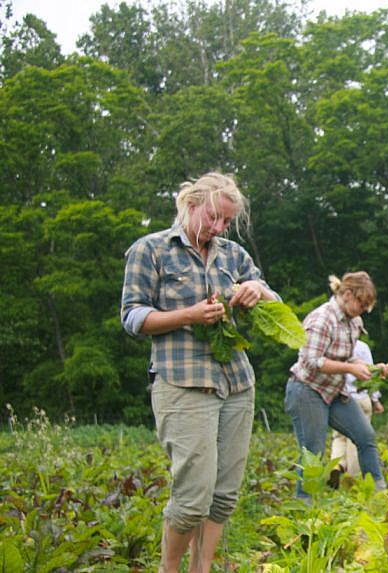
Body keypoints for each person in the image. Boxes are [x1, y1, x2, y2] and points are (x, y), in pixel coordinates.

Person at [120, 172, 280, 573]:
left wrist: (256, 291)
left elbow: (270, 295)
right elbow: (132, 315)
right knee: (193, 497)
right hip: (183, 381)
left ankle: (202, 568)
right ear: (191, 205)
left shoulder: (232, 254)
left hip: (237, 383)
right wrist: (189, 315)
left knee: (224, 494)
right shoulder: (151, 249)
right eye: (213, 217)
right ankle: (169, 568)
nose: (219, 227)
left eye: (226, 221)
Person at [284, 272, 388, 498]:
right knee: (312, 453)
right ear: (346, 294)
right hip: (307, 391)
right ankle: (304, 507)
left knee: (365, 436)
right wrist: (351, 369)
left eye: (366, 306)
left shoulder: (354, 322)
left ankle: (380, 497)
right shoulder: (322, 319)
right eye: (361, 304)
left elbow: (346, 358)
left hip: (333, 392)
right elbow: (312, 361)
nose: (362, 309)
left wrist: (373, 369)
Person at [329, 339, 384, 476]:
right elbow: (371, 377)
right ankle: (354, 476)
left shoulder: (334, 344)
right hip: (360, 397)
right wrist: (376, 400)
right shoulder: (362, 347)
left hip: (339, 398)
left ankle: (337, 465)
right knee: (359, 438)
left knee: (339, 436)